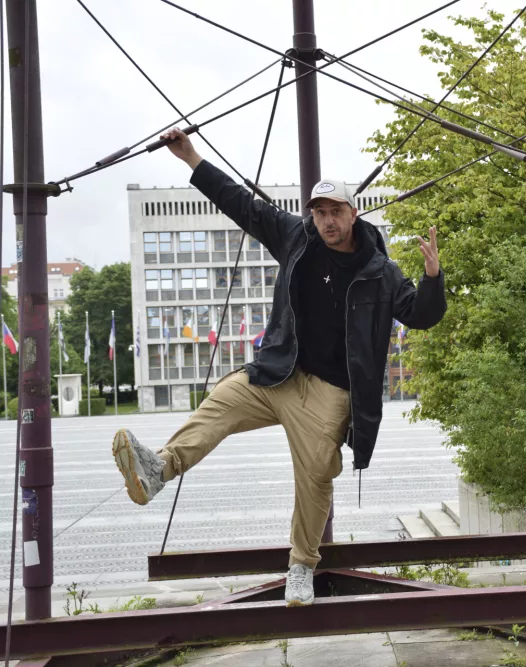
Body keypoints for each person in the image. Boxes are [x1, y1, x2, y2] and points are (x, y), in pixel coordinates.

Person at [112, 127, 446, 607]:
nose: (327, 221)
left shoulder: (381, 271)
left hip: (330, 392)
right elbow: (241, 205)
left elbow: (421, 314)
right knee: (221, 402)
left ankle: (301, 567)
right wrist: (191, 159)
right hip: (279, 371)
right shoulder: (296, 238)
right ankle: (158, 469)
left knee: (315, 475)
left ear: (353, 213)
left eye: (336, 212)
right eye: (320, 212)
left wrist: (433, 277)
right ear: (311, 214)